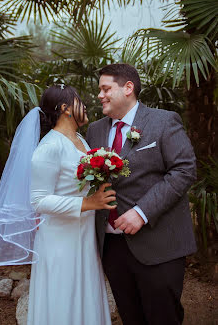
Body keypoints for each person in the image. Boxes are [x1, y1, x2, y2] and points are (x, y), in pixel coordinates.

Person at [0, 84, 115, 324]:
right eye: (79, 101)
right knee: (64, 296)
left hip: (83, 235)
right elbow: (39, 200)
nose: (85, 105)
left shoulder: (80, 139)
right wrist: (88, 203)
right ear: (65, 109)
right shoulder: (49, 147)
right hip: (59, 240)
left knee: (85, 292)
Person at [86, 63, 197, 325]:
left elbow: (184, 170)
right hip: (112, 247)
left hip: (158, 244)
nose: (100, 95)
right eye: (99, 90)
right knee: (131, 317)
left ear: (128, 88)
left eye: (105, 89)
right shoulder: (95, 131)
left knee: (162, 318)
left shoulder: (163, 121)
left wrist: (142, 212)